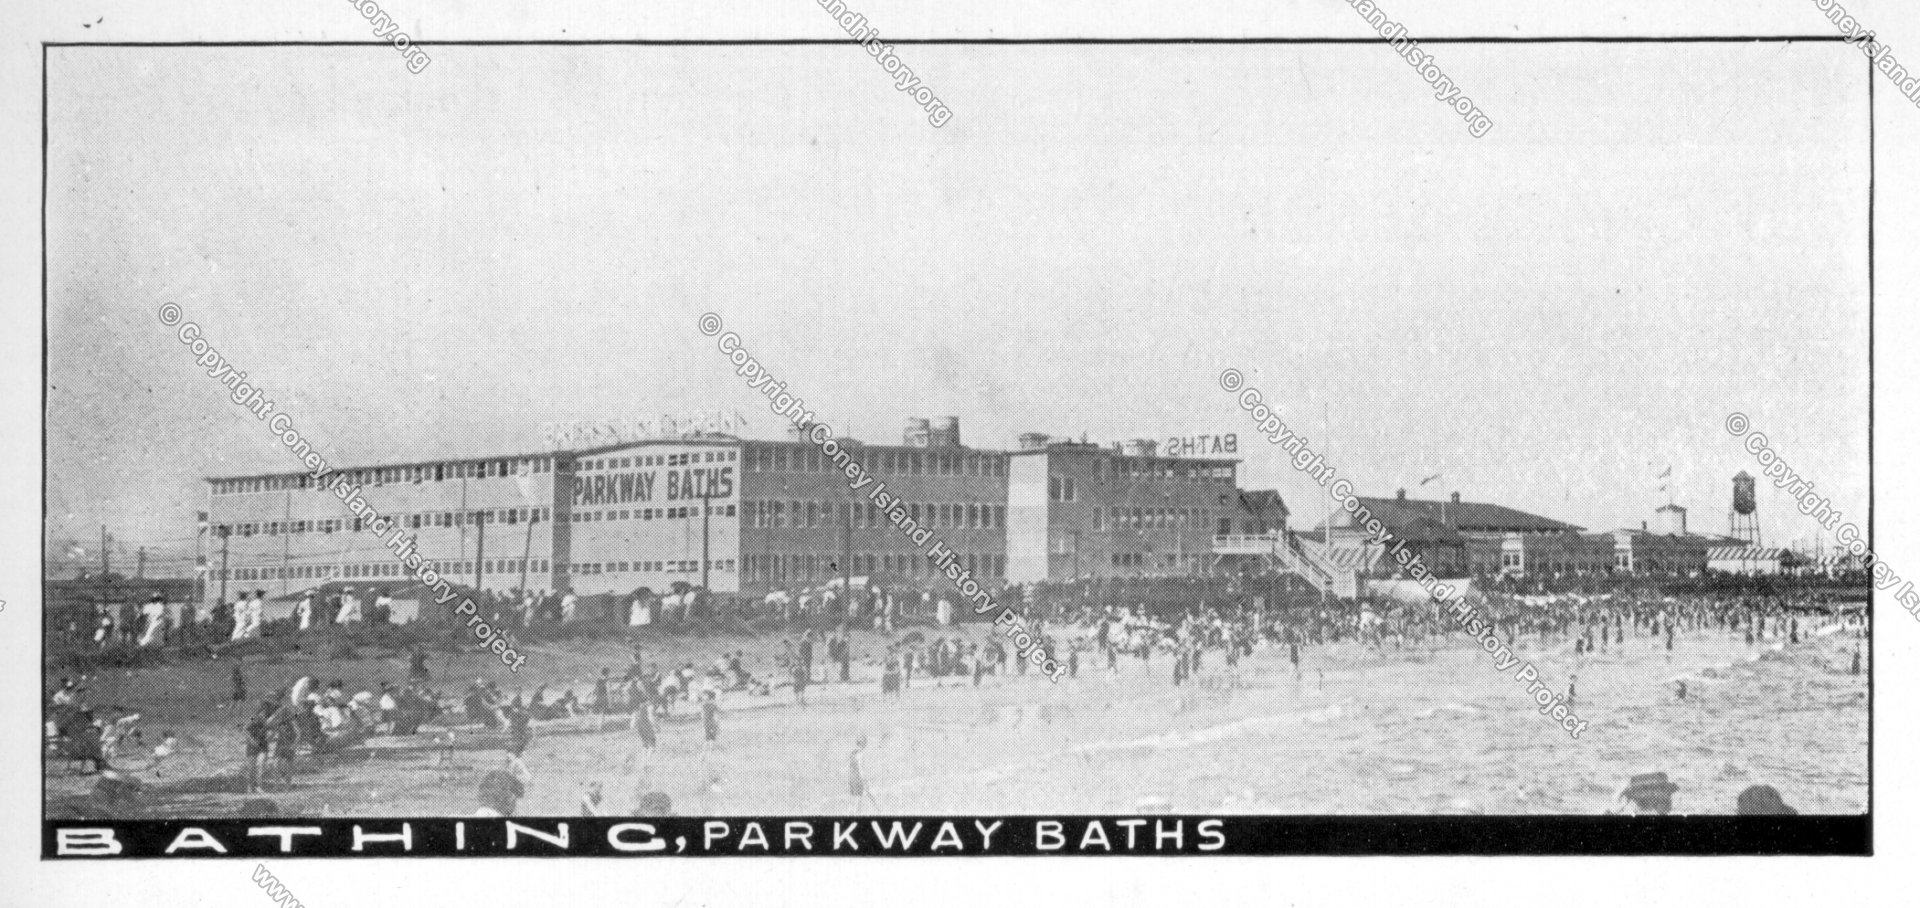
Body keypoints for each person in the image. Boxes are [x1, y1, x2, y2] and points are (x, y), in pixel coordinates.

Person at [1614, 772, 1679, 815]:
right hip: (1638, 795)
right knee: (1624, 806)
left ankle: (1614, 812)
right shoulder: (1665, 794)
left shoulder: (1663, 788)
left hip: (1637, 794)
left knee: (1623, 806)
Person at [847, 735, 878, 809]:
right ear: (863, 744)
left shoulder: (852, 753)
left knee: (853, 800)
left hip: (851, 778)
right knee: (858, 801)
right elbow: (861, 770)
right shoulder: (860, 755)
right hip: (858, 779)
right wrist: (865, 782)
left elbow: (851, 766)